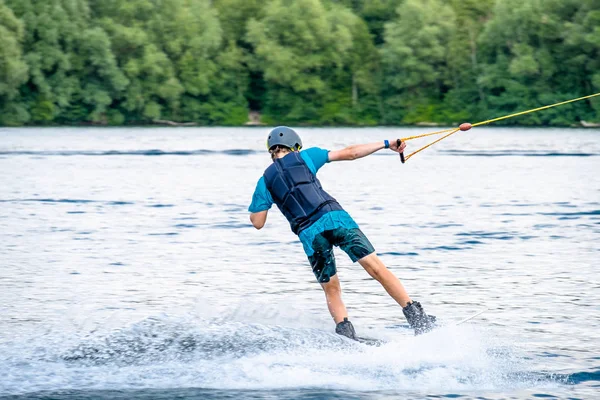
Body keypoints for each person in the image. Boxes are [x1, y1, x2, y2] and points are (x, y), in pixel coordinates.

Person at [248, 126, 436, 338]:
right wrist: (386, 143)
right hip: (336, 219)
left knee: (331, 289)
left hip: (310, 235)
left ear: (271, 150)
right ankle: (418, 320)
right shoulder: (307, 156)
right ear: (296, 145)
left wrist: (268, 198)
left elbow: (258, 222)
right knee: (376, 269)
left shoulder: (264, 181)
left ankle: (346, 335)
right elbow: (351, 152)